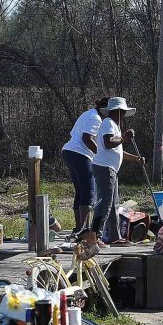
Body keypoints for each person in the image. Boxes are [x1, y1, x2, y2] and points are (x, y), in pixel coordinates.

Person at [91, 96, 145, 244]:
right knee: (105, 203)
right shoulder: (108, 123)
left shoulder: (114, 125)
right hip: (104, 168)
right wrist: (124, 138)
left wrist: (136, 159)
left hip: (110, 169)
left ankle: (115, 237)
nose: (123, 116)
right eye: (122, 112)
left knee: (113, 203)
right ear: (117, 111)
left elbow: (118, 151)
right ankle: (95, 237)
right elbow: (108, 143)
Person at [61, 96, 110, 233]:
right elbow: (86, 138)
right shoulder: (96, 118)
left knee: (80, 192)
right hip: (80, 154)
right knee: (89, 192)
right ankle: (85, 230)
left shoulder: (88, 113)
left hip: (69, 151)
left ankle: (78, 228)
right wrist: (100, 154)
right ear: (104, 110)